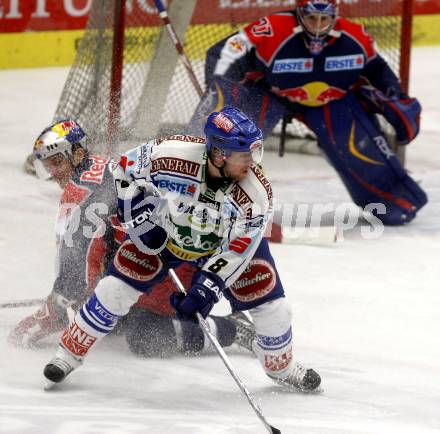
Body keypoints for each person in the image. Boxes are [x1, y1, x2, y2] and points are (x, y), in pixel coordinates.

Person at [43, 107, 321, 392]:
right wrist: (137, 220)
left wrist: (209, 286)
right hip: (170, 234)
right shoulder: (171, 154)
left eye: (254, 153)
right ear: (219, 154)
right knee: (114, 290)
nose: (252, 163)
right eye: (244, 155)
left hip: (225, 247)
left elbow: (241, 246)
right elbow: (122, 170)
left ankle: (281, 367)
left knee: (275, 309)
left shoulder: (256, 192)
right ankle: (68, 354)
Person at [9, 120, 255, 359]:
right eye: (48, 165)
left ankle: (231, 330)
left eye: (57, 162)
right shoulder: (104, 165)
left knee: (146, 335)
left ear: (78, 153)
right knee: (111, 315)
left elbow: (77, 263)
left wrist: (56, 308)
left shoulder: (80, 191)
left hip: (173, 263)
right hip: (178, 253)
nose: (53, 173)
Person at [187, 0, 427, 226]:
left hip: (329, 100)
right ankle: (203, 198)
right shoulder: (271, 29)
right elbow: (225, 53)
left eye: (325, 18)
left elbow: (379, 68)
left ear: (335, 16)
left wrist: (397, 96)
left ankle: (393, 202)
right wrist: (219, 92)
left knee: (357, 148)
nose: (318, 25)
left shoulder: (356, 37)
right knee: (236, 142)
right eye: (312, 17)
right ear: (299, 13)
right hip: (269, 93)